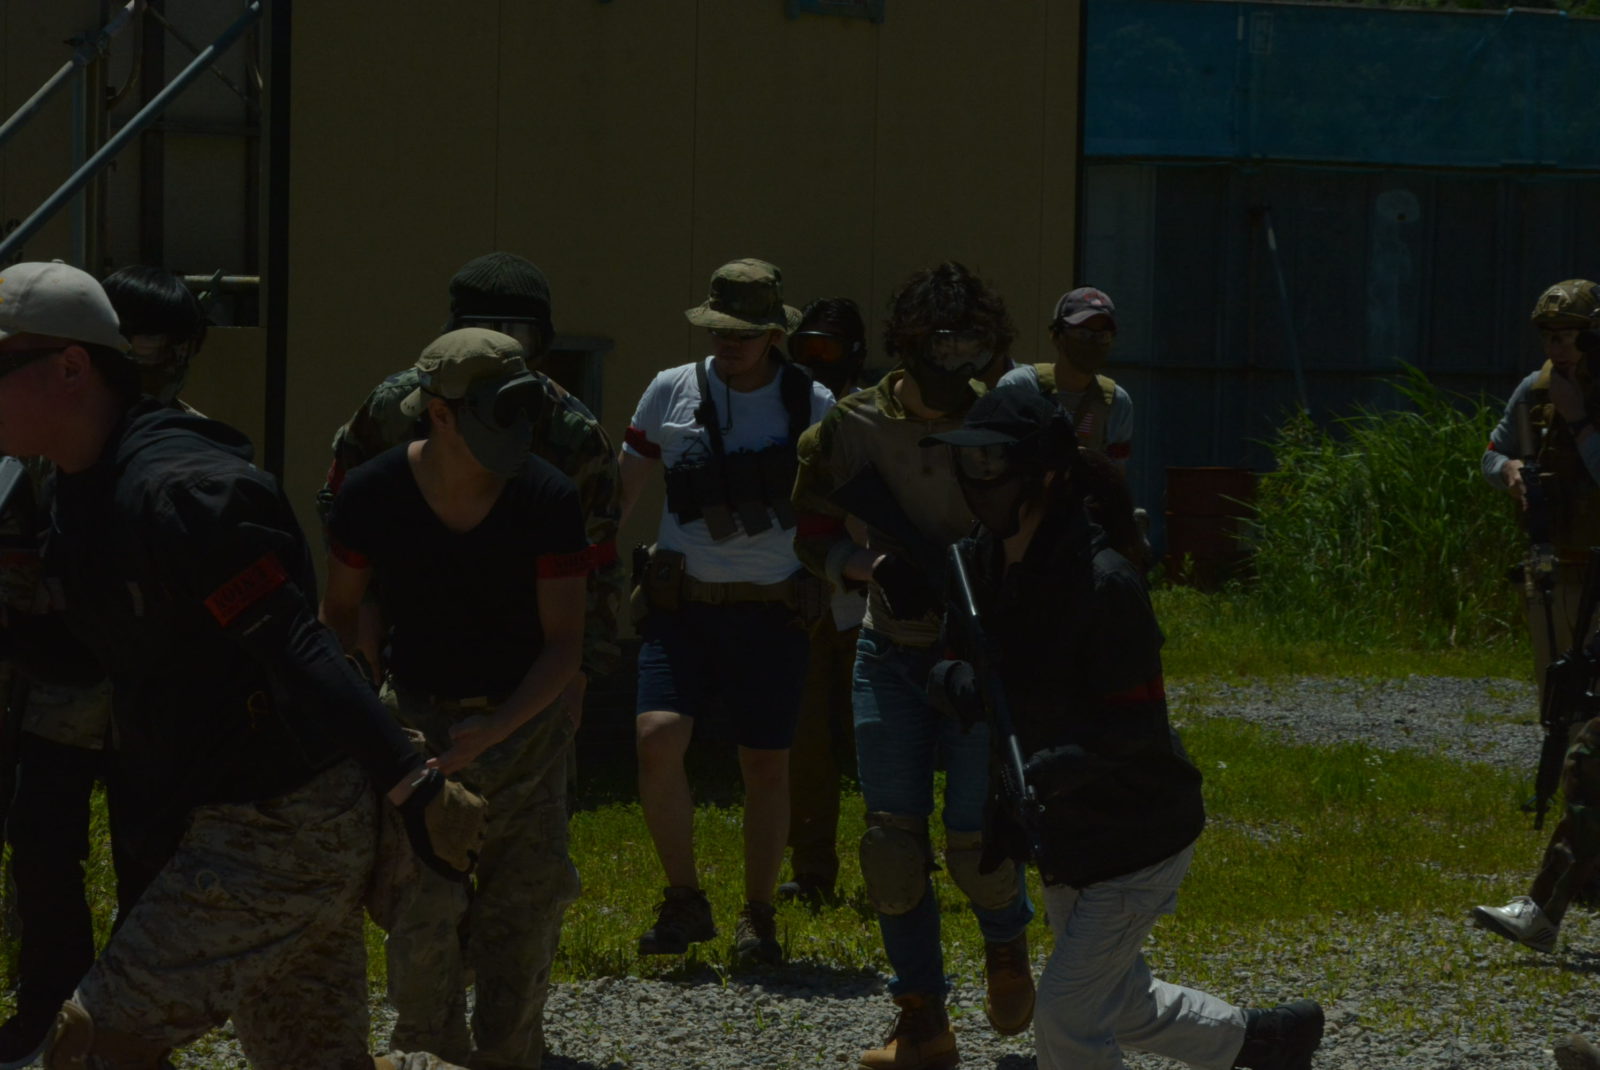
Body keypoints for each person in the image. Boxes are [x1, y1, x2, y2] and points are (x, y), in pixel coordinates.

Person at [0, 260, 478, 1070]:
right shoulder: (84, 482)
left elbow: (295, 641)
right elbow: (96, 650)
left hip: (278, 827)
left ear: (71, 367)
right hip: (255, 818)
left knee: (92, 1044)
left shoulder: (182, 492)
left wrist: (414, 786)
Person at [921, 383, 1324, 1070]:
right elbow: (968, 665)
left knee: (1068, 1015)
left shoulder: (1104, 583)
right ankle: (1262, 1042)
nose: (978, 479)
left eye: (994, 462)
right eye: (969, 461)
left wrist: (1054, 767)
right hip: (1065, 834)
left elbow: (1137, 726)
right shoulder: (983, 560)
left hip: (1137, 833)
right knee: (1119, 1000)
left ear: (1046, 473)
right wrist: (954, 682)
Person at [322, 328, 588, 1069]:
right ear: (440, 414)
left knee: (521, 920)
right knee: (422, 915)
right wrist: (367, 724)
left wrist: (497, 728)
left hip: (523, 731)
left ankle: (509, 1055)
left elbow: (564, 642)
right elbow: (338, 615)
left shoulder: (547, 497)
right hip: (417, 728)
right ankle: (424, 1054)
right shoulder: (372, 493)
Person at [791, 261, 1032, 1070]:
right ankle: (921, 1017)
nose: (957, 360)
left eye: (973, 345)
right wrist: (867, 568)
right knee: (891, 847)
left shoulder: (1002, 420)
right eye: (943, 342)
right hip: (891, 652)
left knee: (975, 841)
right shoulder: (851, 427)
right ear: (909, 342)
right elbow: (811, 530)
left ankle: (1005, 945)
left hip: (979, 654)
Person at [0, 264, 207, 1067]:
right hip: (58, 685)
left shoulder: (188, 446)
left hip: (145, 695)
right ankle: (47, 1005)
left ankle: (131, 1022)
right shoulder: (45, 436)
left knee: (146, 856)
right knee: (42, 848)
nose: (161, 361)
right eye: (145, 340)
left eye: (174, 346)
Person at [619, 257, 833, 965]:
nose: (729, 343)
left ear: (774, 334)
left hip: (773, 611)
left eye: (744, 332)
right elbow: (622, 489)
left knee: (765, 762)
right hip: (681, 606)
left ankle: (759, 915)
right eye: (719, 329)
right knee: (657, 738)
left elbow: (843, 501)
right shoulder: (669, 389)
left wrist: (858, 576)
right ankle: (684, 900)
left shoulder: (813, 403)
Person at [319, 251, 625, 708]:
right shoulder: (394, 410)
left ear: (541, 344)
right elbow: (342, 510)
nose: (495, 346)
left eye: (515, 335)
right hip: (408, 635)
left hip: (528, 643)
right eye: (479, 330)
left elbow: (597, 561)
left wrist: (579, 673)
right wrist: (363, 611)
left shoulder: (572, 435)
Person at [1473, 279, 1600, 953]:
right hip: (1559, 568)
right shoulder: (1538, 389)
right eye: (1550, 337)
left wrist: (1580, 423)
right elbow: (1494, 450)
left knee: (1589, 737)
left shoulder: (1583, 397)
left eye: (1569, 336)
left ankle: (1554, 897)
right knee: (1566, 715)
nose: (1558, 348)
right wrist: (1510, 471)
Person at [779, 297, 869, 902]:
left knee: (879, 742)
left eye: (828, 349)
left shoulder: (873, 417)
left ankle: (902, 861)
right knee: (806, 744)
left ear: (853, 354)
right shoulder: (783, 410)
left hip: (867, 597)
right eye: (805, 348)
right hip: (802, 596)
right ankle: (813, 872)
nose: (816, 361)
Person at [998, 286, 1132, 467]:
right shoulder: (1020, 387)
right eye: (1082, 334)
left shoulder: (1116, 401)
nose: (1092, 342)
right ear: (1056, 336)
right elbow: (997, 460)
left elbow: (1116, 474)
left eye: (1102, 336)